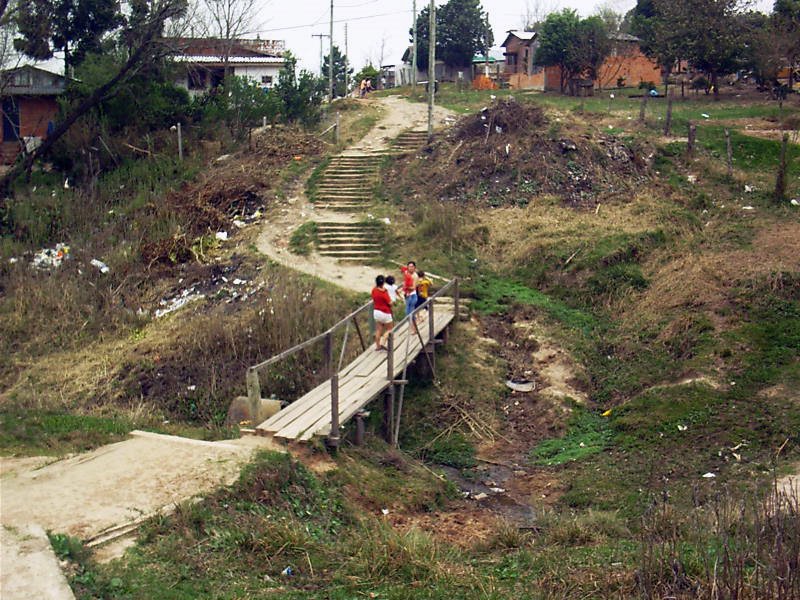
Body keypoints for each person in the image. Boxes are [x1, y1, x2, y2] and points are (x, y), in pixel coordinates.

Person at [371, 274, 393, 350]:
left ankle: (377, 346)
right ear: (383, 283)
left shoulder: (374, 290)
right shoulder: (384, 293)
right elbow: (390, 303)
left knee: (378, 329)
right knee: (390, 329)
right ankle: (384, 340)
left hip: (376, 311)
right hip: (385, 312)